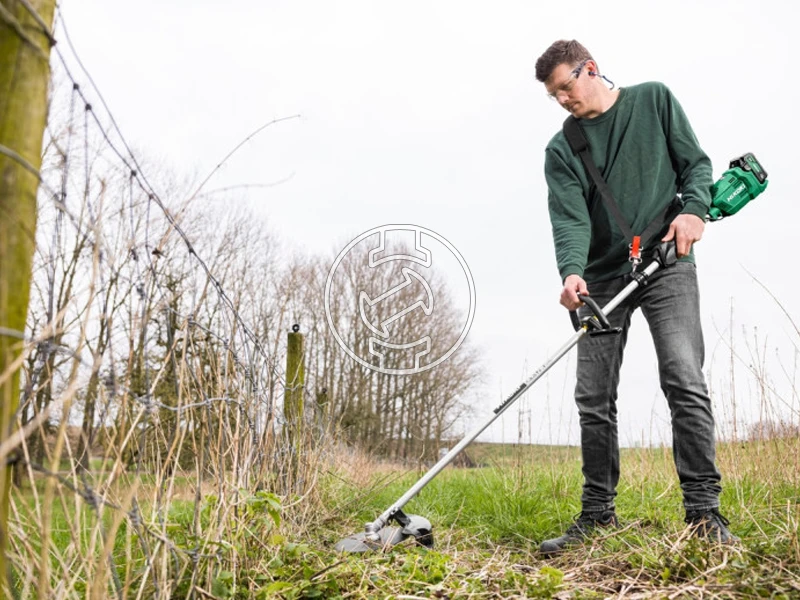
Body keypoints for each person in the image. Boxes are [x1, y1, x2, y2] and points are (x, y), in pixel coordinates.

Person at [534, 39, 737, 554]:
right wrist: (572, 273)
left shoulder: (653, 101)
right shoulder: (563, 149)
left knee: (683, 376)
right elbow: (570, 219)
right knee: (593, 398)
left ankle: (703, 513)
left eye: (566, 87)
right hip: (603, 279)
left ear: (591, 69)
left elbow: (696, 165)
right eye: (553, 94)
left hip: (667, 261)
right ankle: (598, 514)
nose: (562, 100)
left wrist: (693, 210)